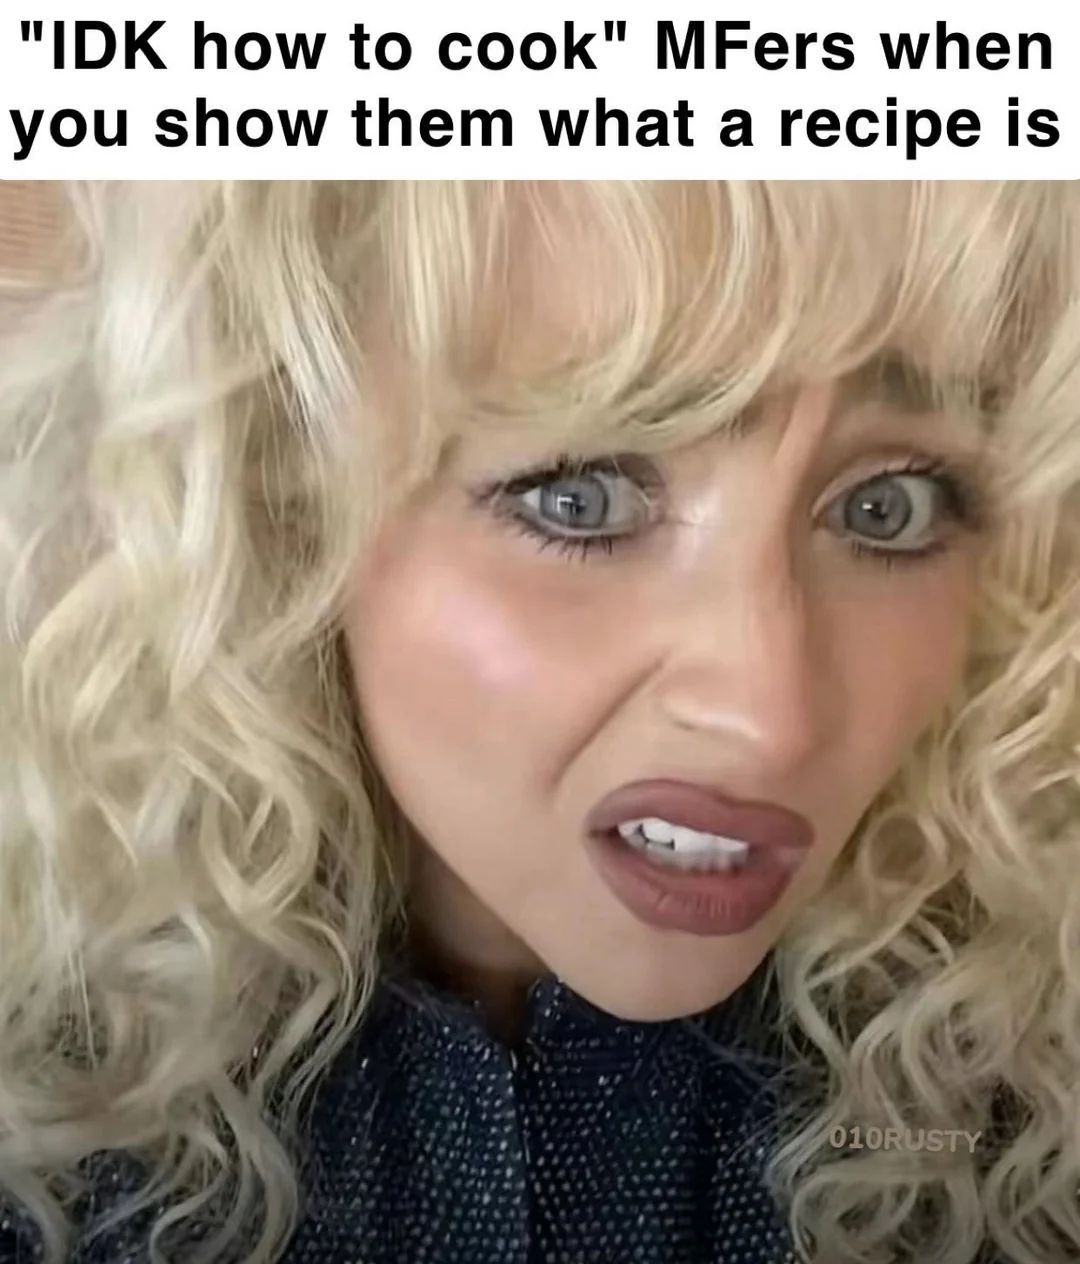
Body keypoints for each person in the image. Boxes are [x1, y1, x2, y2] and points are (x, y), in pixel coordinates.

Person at [1, 181, 1079, 1264]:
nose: (771, 716)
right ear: (280, 497)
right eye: (582, 498)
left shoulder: (1017, 1124)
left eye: (887, 507)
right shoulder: (48, 1117)